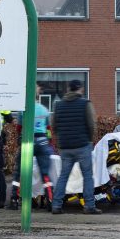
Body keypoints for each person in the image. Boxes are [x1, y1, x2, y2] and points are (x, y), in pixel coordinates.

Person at [50, 84, 98, 214]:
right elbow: (91, 124)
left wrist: (60, 141)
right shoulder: (85, 104)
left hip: (65, 147)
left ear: (68, 89)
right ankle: (89, 206)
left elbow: (54, 125)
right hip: (82, 145)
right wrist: (89, 139)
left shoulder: (58, 105)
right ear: (80, 89)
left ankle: (56, 205)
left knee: (63, 176)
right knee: (87, 176)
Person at [15, 98, 57, 206]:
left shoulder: (23, 110)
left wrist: (19, 141)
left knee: (20, 172)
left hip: (28, 141)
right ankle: (50, 200)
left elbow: (19, 128)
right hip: (42, 142)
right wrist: (49, 142)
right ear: (37, 98)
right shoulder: (44, 110)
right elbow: (48, 128)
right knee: (45, 174)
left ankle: (14, 200)